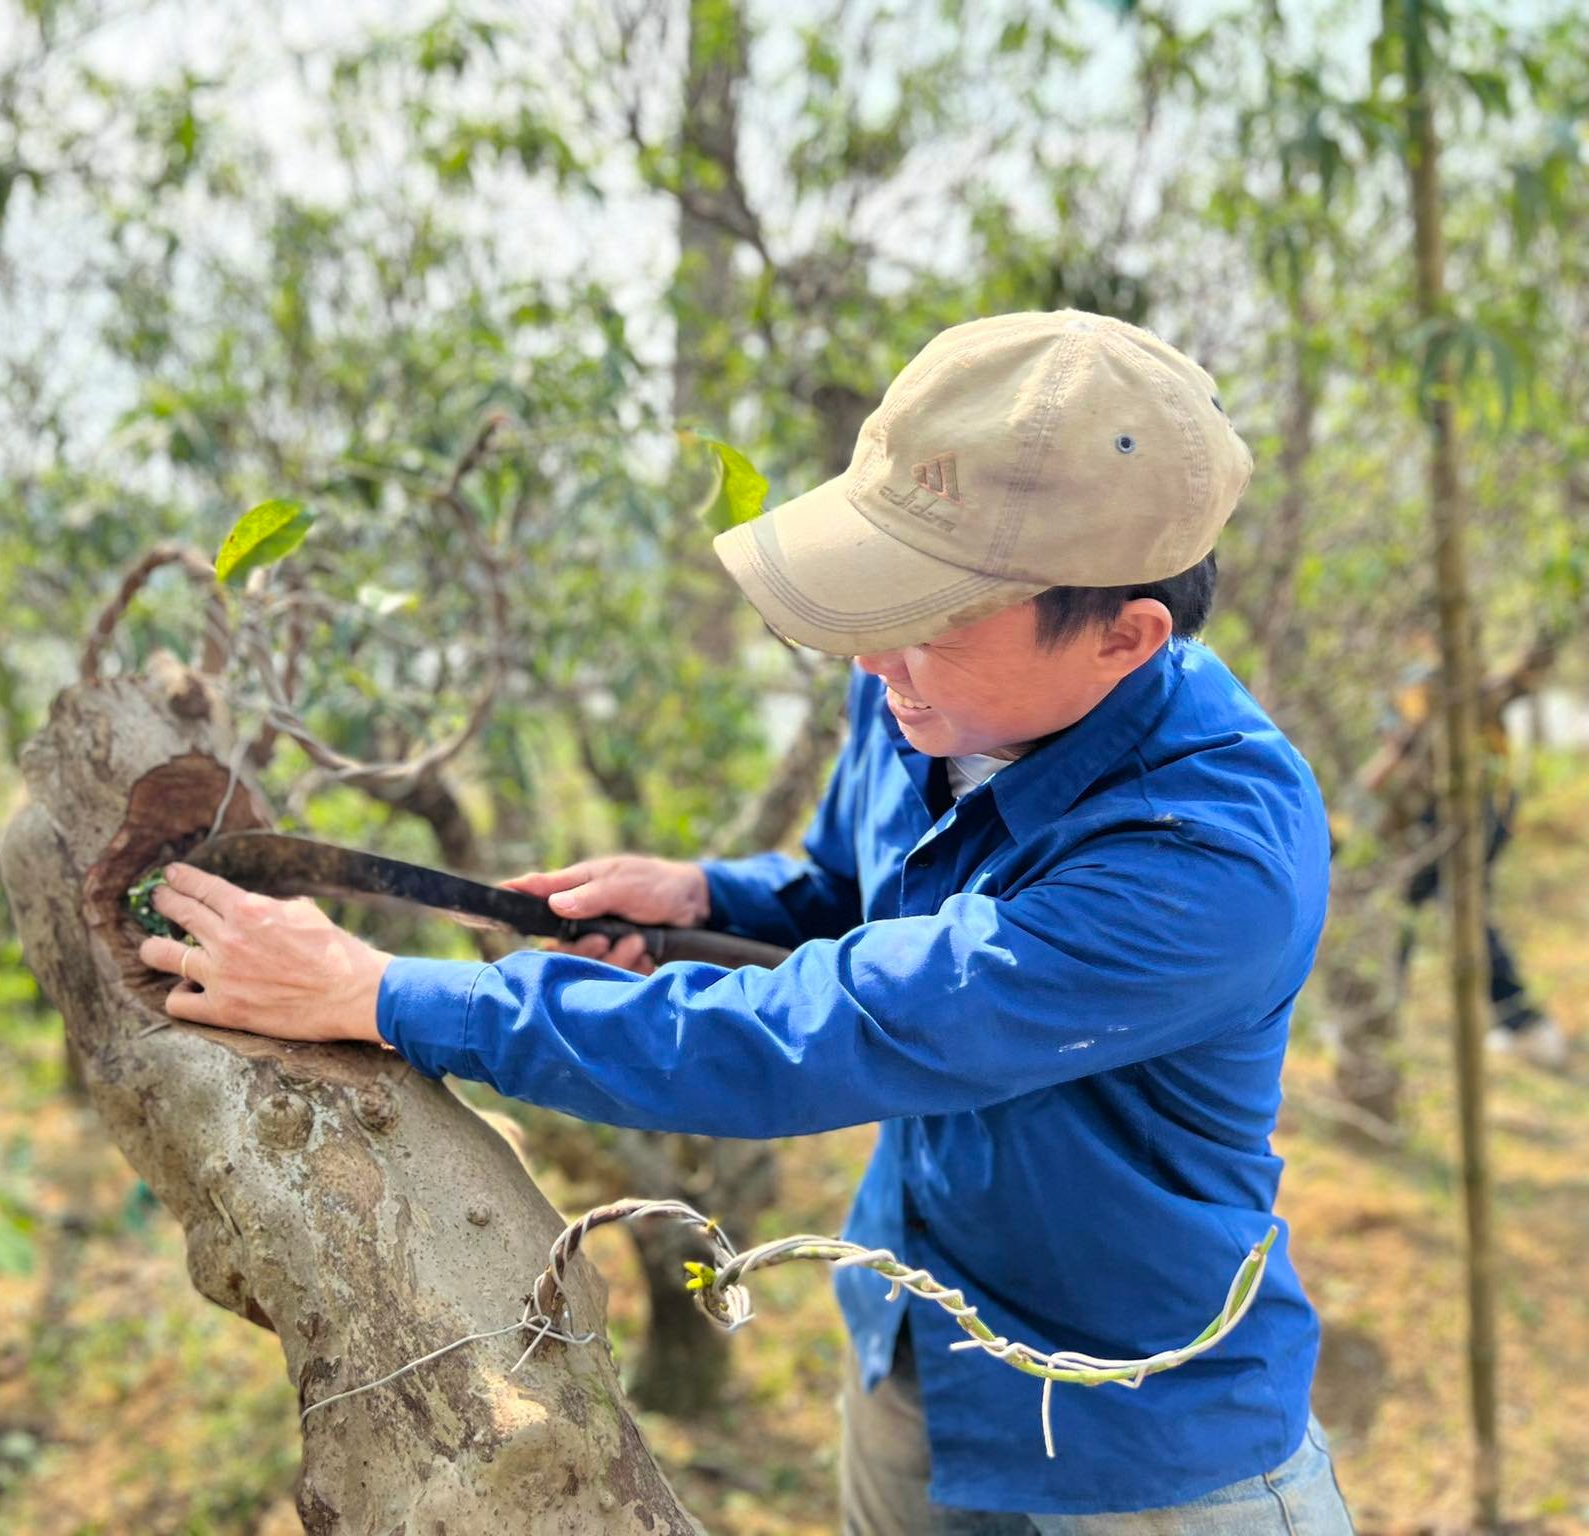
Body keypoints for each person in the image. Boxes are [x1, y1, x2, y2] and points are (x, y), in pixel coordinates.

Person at [137, 311, 1354, 1532]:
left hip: (1146, 1447)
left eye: (927, 622)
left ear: (1124, 636)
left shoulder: (1203, 859)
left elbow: (827, 1032)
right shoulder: (920, 695)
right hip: (915, 1347)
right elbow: (857, 893)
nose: (876, 657)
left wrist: (382, 996)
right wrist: (705, 899)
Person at [1360, 656, 1567, 1068]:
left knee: (1458, 912)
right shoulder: (1406, 694)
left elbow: (1511, 685)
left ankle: (1524, 1023)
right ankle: (1381, 1015)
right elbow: (1380, 781)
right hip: (1439, 819)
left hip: (1472, 816)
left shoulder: (1455, 687)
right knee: (1415, 909)